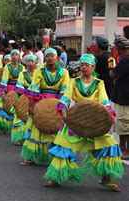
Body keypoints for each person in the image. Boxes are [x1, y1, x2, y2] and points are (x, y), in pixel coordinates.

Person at [43, 53, 124, 191]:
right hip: (76, 120)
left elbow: (104, 101)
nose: (84, 67)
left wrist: (109, 114)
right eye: (82, 65)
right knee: (63, 146)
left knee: (108, 145)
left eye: (87, 65)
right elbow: (66, 98)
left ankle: (106, 178)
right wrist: (63, 110)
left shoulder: (99, 83)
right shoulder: (73, 82)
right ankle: (56, 177)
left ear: (93, 67)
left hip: (95, 120)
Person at [20, 48, 70, 166]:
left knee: (56, 130)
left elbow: (65, 91)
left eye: (52, 56)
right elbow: (33, 88)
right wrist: (31, 106)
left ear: (57, 58)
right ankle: (31, 157)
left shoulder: (64, 73)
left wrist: (58, 106)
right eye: (47, 56)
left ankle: (55, 157)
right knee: (36, 129)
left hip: (57, 103)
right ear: (45, 58)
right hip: (40, 103)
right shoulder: (39, 71)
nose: (50, 58)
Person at [0, 49, 24, 134]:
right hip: (8, 87)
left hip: (18, 88)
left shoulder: (22, 67)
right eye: (13, 55)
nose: (14, 56)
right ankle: (3, 127)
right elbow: (4, 79)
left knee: (16, 108)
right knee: (4, 107)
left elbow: (23, 79)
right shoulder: (7, 66)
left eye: (16, 55)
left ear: (19, 57)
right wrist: (3, 92)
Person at [12, 55, 37, 145]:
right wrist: (17, 100)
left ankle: (29, 138)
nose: (30, 63)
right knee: (20, 117)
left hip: (35, 98)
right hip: (24, 97)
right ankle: (20, 138)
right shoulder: (22, 74)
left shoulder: (38, 73)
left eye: (32, 61)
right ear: (26, 63)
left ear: (35, 63)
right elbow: (19, 87)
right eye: (28, 61)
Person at [110, 37, 129, 160]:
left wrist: (112, 69)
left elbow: (113, 73)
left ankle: (124, 150)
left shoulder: (126, 60)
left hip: (124, 97)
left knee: (124, 125)